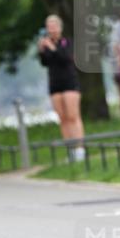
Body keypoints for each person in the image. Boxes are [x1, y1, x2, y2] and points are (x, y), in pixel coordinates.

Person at [38, 15, 86, 161]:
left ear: (60, 27)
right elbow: (45, 62)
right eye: (49, 26)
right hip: (55, 83)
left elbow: (65, 58)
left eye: (54, 25)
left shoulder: (67, 42)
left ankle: (80, 150)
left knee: (73, 116)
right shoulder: (46, 44)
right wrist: (41, 50)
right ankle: (70, 151)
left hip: (70, 82)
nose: (51, 29)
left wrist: (52, 47)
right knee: (63, 119)